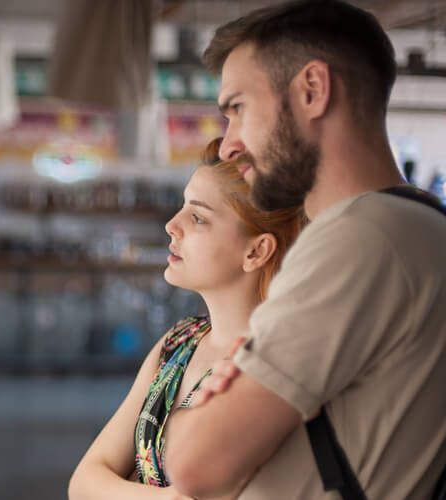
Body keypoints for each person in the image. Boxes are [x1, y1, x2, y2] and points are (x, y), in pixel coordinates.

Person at [159, 1, 446, 499]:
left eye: (239, 109)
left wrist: (224, 388)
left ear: (312, 90)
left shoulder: (360, 237)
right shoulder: (421, 222)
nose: (228, 146)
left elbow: (194, 465)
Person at [68, 138, 305, 499]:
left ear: (256, 250)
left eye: (197, 217)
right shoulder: (180, 341)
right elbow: (84, 480)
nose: (171, 225)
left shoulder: (273, 368)